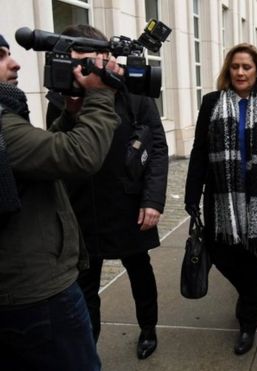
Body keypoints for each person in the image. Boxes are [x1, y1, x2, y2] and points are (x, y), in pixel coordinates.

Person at [0, 33, 122, 370]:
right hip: (37, 295)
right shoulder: (3, 124)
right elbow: (79, 156)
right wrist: (100, 96)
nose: (15, 62)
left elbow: (41, 155)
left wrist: (71, 114)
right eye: (0, 56)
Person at [46, 25, 168, 360]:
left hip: (129, 202)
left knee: (139, 270)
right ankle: (90, 343)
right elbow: (57, 148)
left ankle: (148, 328)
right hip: (83, 206)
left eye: (89, 60)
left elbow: (157, 146)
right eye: (75, 61)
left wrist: (153, 200)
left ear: (104, 56)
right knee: (85, 283)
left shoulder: (133, 90)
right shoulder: (60, 94)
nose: (82, 68)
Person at [184, 43, 257, 356]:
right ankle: (247, 295)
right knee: (222, 255)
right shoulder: (212, 102)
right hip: (222, 196)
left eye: (247, 67)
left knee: (252, 260)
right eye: (235, 67)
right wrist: (192, 193)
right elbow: (200, 151)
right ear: (228, 70)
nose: (240, 72)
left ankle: (249, 322)